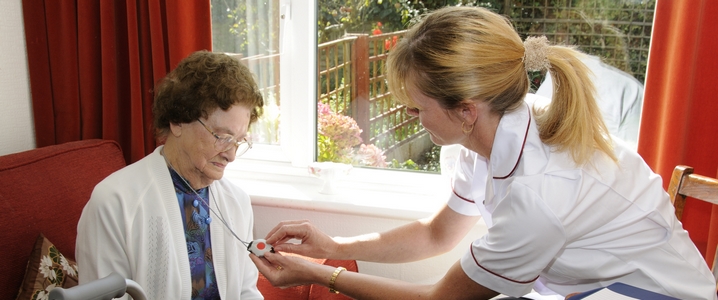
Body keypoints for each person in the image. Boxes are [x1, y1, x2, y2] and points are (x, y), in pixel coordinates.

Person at [249, 6, 716, 300]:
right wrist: (334, 247)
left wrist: (321, 274)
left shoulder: (540, 194)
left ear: (465, 109)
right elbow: (438, 235)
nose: (413, 117)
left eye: (418, 108)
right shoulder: (492, 130)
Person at [76, 50, 265, 299]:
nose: (231, 155)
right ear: (177, 121)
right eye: (222, 137)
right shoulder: (114, 202)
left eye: (239, 141)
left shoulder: (237, 201)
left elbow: (246, 292)